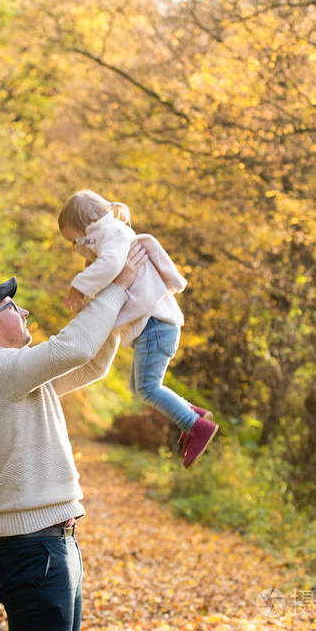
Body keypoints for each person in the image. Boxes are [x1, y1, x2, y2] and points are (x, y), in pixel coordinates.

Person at [0, 243, 145, 631]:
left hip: (54, 542)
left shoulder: (15, 375)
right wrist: (117, 287)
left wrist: (115, 303)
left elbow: (90, 363)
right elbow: (70, 348)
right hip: (32, 547)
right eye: (12, 307)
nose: (24, 313)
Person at [58, 189, 218, 468]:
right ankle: (192, 412)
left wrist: (79, 286)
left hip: (157, 326)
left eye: (75, 241)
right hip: (156, 326)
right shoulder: (110, 236)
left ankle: (195, 426)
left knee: (146, 387)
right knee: (139, 386)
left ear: (85, 227)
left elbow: (112, 264)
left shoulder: (113, 234)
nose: (77, 248)